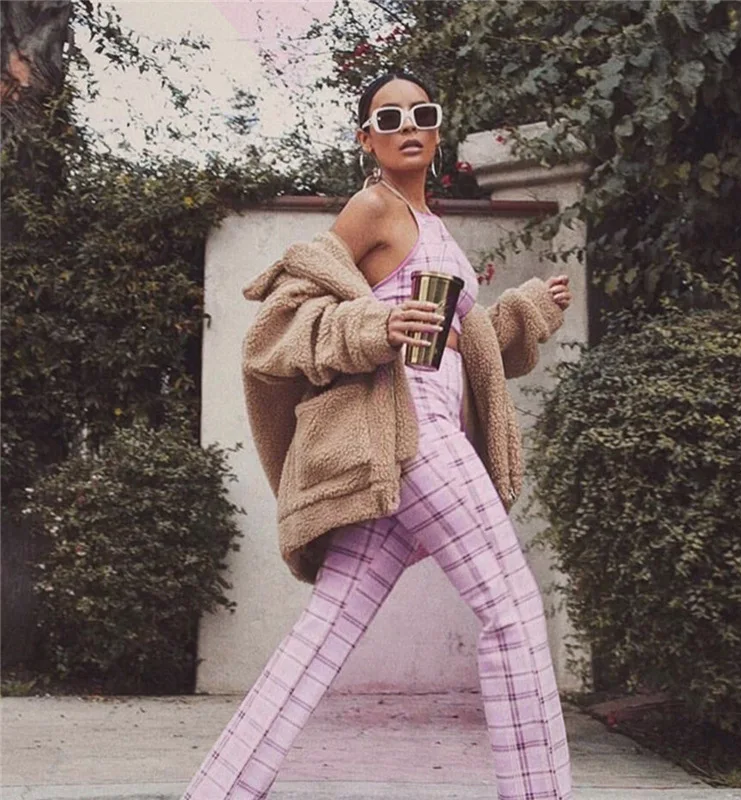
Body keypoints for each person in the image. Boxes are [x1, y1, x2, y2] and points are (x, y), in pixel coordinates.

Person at [182, 69, 574, 800]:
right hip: (412, 431)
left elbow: (463, 344)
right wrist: (376, 324)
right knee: (512, 608)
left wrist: (529, 309)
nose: (408, 127)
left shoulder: (434, 227)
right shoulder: (371, 208)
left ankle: (218, 791)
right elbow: (286, 317)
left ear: (438, 128)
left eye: (421, 113)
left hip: (407, 443)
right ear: (366, 139)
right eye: (388, 119)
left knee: (322, 635)